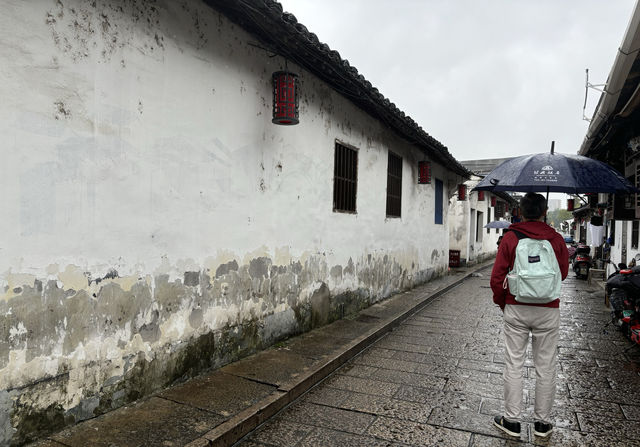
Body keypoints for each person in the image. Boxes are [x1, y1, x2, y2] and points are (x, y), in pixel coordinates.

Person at [490, 192, 569, 438]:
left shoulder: (511, 237)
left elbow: (496, 278)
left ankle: (511, 421)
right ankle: (542, 424)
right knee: (546, 366)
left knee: (513, 362)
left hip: (516, 306)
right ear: (544, 212)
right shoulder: (556, 239)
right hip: (547, 310)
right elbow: (563, 273)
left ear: (520, 211)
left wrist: (504, 303)